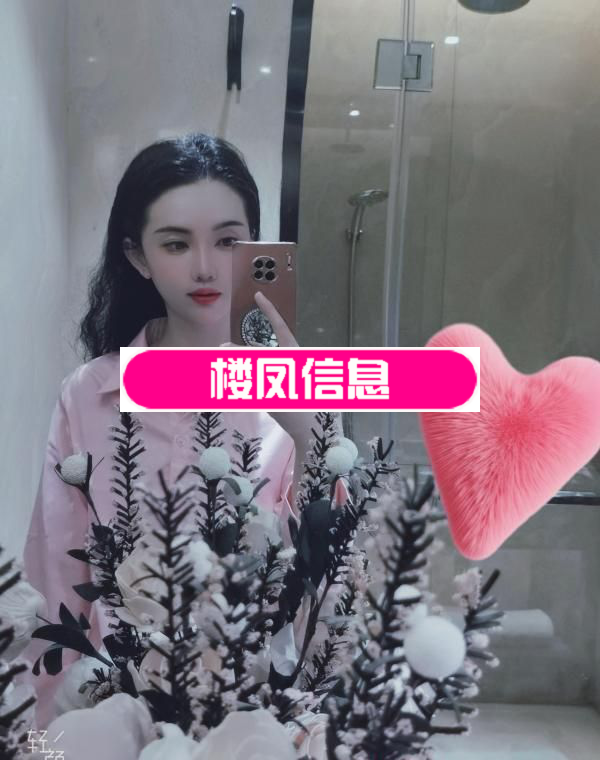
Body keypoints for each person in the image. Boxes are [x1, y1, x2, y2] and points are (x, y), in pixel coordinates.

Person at [17, 132, 345, 730]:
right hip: (115, 712)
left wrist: (310, 435)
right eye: (175, 243)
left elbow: (326, 588)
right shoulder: (88, 395)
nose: (205, 266)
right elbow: (55, 580)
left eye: (228, 241)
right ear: (138, 256)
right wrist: (48, 737)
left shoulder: (298, 391)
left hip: (255, 715)